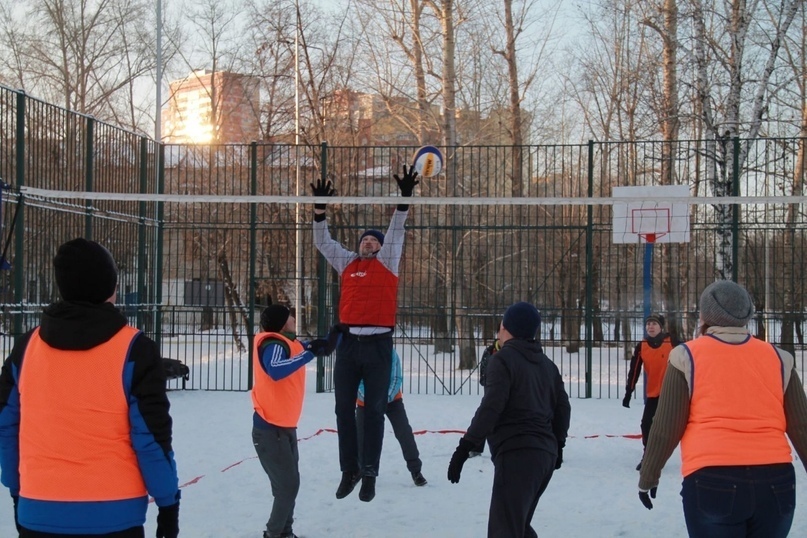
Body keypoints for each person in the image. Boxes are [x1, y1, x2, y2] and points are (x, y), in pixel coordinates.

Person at [0, 238, 180, 538]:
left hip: (39, 509)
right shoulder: (134, 349)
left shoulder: (27, 347)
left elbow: (6, 425)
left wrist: (18, 490)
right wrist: (167, 503)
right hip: (115, 515)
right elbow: (150, 437)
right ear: (111, 285)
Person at [638, 280, 807, 538]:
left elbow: (666, 425)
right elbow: (801, 425)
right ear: (747, 314)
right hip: (776, 481)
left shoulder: (687, 356)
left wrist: (649, 475)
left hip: (711, 477)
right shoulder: (779, 358)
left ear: (705, 315)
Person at [311, 166, 419, 502]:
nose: (368, 241)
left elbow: (397, 230)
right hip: (349, 345)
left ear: (381, 246)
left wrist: (404, 199)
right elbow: (322, 241)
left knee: (373, 410)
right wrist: (319, 211)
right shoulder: (347, 263)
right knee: (343, 409)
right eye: (364, 239)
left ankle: (370, 472)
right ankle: (350, 470)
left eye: (373, 239)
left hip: (378, 346)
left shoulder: (387, 261)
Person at [447, 301, 571, 538]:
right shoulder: (548, 366)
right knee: (518, 527)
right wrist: (558, 445)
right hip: (544, 456)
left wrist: (464, 448)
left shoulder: (502, 360)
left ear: (506, 328)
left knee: (505, 530)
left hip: (517, 454)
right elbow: (563, 408)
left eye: (500, 326)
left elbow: (491, 407)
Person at [251, 304, 339, 538]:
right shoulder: (274, 344)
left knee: (290, 485)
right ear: (282, 323)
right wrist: (309, 353)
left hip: (284, 427)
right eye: (290, 315)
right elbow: (276, 369)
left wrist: (337, 334)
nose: (293, 318)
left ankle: (285, 532)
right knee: (287, 487)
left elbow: (317, 348)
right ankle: (274, 533)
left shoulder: (289, 342)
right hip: (270, 429)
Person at [356, 349, 427, 487]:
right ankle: (361, 470)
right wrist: (370, 400)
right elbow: (356, 381)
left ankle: (415, 470)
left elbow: (396, 378)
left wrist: (384, 399)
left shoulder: (390, 352)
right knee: (361, 436)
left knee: (404, 432)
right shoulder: (358, 354)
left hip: (391, 400)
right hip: (365, 402)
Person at [622, 314, 681, 471]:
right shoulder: (643, 345)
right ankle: (649, 455)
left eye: (654, 323)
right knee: (647, 424)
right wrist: (629, 392)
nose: (650, 326)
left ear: (661, 327)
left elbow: (688, 362)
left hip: (673, 393)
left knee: (674, 427)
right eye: (648, 324)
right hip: (654, 393)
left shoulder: (673, 342)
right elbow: (634, 369)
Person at [471, 338, 500, 457]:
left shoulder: (511, 352)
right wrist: (485, 381)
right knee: (484, 417)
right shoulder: (490, 351)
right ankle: (476, 447)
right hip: (491, 388)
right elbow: (483, 368)